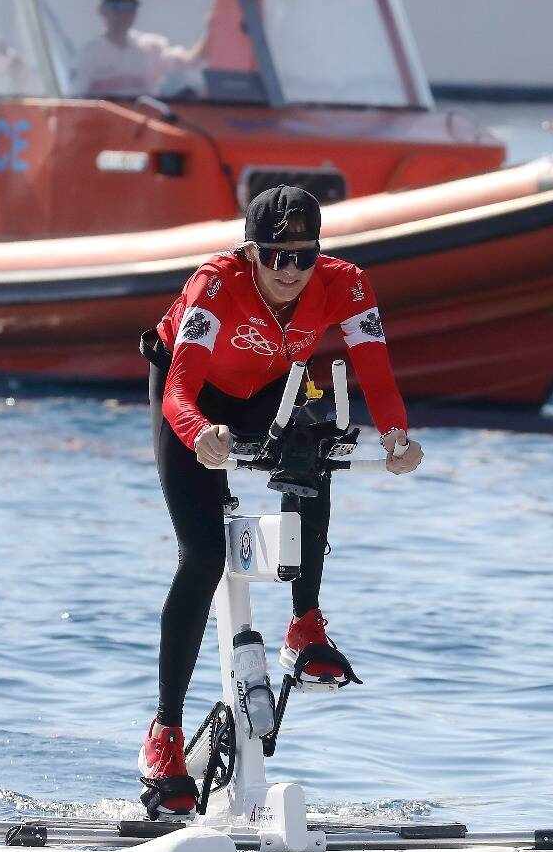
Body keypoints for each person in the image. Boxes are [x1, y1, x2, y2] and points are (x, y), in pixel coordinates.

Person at [135, 185, 424, 817]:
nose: (290, 272)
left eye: (303, 256)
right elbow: (180, 388)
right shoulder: (216, 286)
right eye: (275, 257)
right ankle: (165, 735)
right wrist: (197, 434)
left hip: (266, 390)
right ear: (251, 252)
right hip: (192, 394)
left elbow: (374, 370)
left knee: (319, 432)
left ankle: (305, 624)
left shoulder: (347, 285)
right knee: (205, 552)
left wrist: (397, 434)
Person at [70, 0, 206, 98]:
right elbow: (76, 100)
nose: (123, 14)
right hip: (103, 126)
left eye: (129, 7)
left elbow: (191, 61)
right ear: (101, 10)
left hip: (145, 124)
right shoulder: (88, 54)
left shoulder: (151, 47)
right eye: (116, 7)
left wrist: (214, 26)